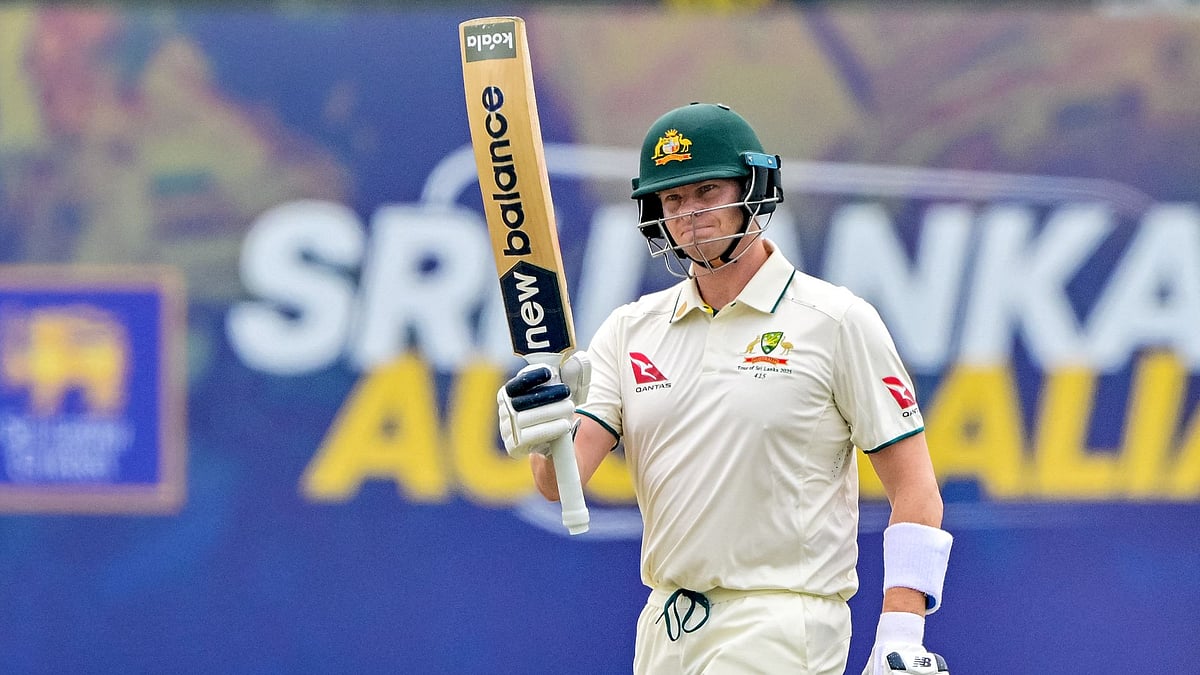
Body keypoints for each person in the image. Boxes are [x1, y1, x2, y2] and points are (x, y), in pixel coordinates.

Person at [497, 102, 953, 674]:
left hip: (781, 621)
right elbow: (559, 483)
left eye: (707, 191)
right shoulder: (630, 329)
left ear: (753, 188)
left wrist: (901, 634)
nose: (690, 214)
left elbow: (915, 487)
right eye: (672, 199)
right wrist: (543, 433)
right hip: (665, 625)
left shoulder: (835, 320)